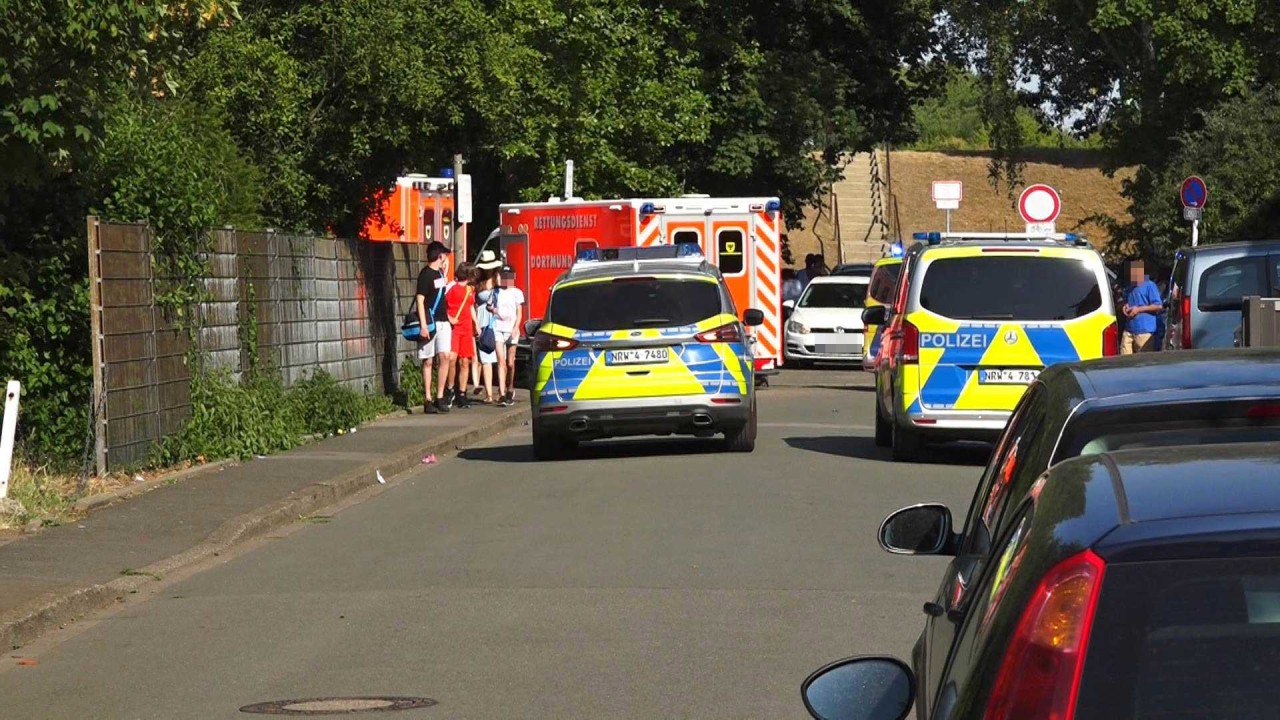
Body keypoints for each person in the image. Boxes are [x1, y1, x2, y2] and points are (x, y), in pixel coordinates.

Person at [414, 241, 451, 413]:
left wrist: (446, 266)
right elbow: (420, 301)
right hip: (429, 322)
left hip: (443, 322)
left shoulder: (441, 274)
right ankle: (428, 398)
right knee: (428, 360)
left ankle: (440, 395)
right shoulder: (425, 275)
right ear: (439, 256)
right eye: (443, 254)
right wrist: (423, 325)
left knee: (444, 356)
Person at [473, 250, 504, 404]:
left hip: (496, 320)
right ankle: (490, 393)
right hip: (483, 321)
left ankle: (500, 391)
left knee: (498, 358)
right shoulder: (479, 282)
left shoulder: (496, 280)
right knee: (486, 358)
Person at [445, 263, 478, 409]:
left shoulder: (471, 290)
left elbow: (470, 306)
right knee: (452, 358)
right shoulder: (451, 287)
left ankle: (462, 393)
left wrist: (476, 323)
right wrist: (449, 317)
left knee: (465, 361)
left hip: (466, 327)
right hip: (454, 327)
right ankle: (450, 388)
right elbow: (442, 304)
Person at [493, 266, 525, 406]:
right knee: (501, 361)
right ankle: (501, 393)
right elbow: (489, 304)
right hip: (498, 328)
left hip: (512, 329)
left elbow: (519, 313)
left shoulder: (517, 293)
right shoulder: (496, 291)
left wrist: (516, 327)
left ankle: (510, 387)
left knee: (510, 363)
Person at [1121, 259, 1163, 355]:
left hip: (1144, 332)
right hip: (1129, 329)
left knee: (1144, 361)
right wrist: (1125, 306)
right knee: (1124, 358)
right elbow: (1127, 301)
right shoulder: (1130, 287)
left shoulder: (1150, 285)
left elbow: (1158, 306)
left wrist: (1138, 309)